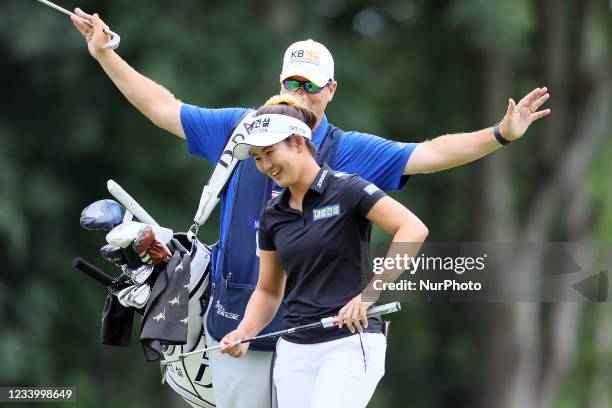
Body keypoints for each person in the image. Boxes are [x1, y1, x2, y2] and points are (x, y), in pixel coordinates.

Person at [70, 8, 551, 408]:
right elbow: (162, 107)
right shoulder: (243, 130)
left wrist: (500, 134)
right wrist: (106, 53)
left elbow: (429, 155)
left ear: (331, 90)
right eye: (291, 83)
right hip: (239, 322)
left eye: (310, 86)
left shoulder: (349, 150)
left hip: (320, 336)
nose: (300, 94)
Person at [219, 101, 428, 408]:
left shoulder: (347, 189)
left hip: (349, 343)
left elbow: (412, 229)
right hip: (294, 349)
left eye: (270, 153)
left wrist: (370, 293)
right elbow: (267, 290)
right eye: (257, 158)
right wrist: (244, 332)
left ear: (299, 143)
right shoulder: (272, 216)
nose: (265, 166)